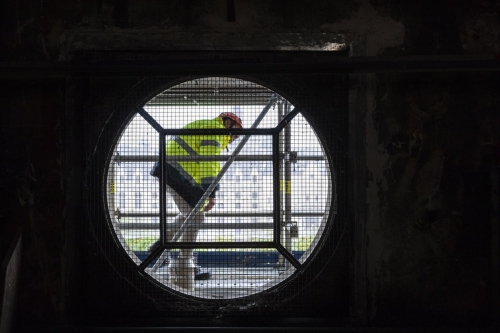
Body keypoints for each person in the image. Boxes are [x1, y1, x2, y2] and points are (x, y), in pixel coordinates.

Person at [148, 112, 243, 289]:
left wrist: (203, 194)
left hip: (174, 170)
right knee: (196, 217)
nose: (237, 137)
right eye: (237, 131)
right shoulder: (216, 131)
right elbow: (209, 163)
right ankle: (185, 261)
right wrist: (211, 194)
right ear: (228, 123)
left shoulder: (210, 127)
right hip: (174, 171)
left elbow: (202, 164)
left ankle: (160, 245)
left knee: (189, 214)